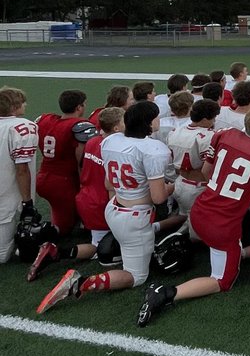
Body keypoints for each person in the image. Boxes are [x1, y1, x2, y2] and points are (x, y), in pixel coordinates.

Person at [135, 106, 250, 326]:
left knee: (224, 248)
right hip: (222, 226)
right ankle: (166, 293)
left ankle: (201, 246)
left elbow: (206, 173)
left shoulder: (224, 134)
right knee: (223, 281)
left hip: (199, 210)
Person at [36, 101, 174, 314]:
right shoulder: (154, 149)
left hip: (114, 208)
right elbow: (158, 197)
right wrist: (174, 187)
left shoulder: (111, 142)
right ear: (147, 123)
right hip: (134, 216)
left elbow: (109, 183)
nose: (159, 120)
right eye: (155, 116)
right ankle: (81, 283)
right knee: (136, 277)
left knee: (118, 245)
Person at [35, 89, 88, 236]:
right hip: (63, 181)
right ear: (79, 107)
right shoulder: (79, 125)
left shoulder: (45, 119)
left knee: (60, 211)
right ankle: (36, 240)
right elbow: (81, 160)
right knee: (63, 229)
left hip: (43, 176)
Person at [0, 86, 38, 264]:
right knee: (3, 255)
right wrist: (27, 202)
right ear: (14, 107)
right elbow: (22, 169)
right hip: (8, 195)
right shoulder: (22, 126)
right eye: (22, 102)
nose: (26, 104)